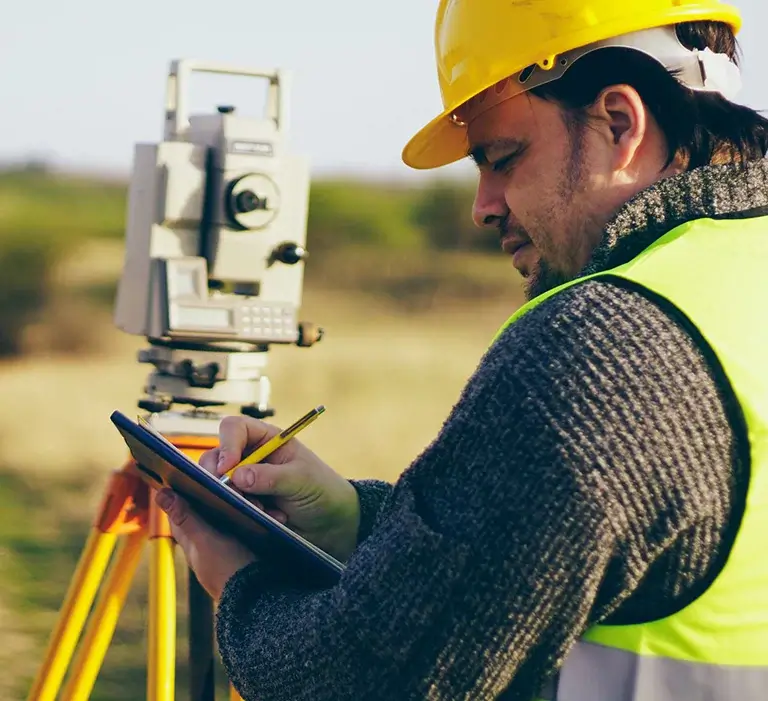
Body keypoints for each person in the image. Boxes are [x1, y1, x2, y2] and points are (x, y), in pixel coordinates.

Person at [155, 1, 768, 699]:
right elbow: (620, 547)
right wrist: (359, 523)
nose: (484, 205)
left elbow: (371, 681)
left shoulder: (604, 347)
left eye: (503, 158)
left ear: (619, 123)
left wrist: (243, 582)